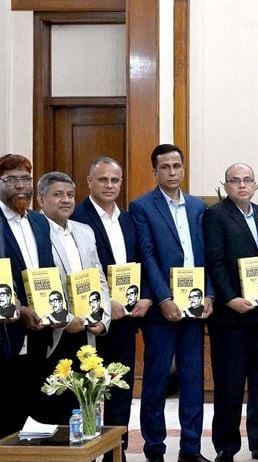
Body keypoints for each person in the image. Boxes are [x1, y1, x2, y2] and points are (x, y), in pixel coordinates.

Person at [130, 143, 214, 462]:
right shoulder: (142, 207)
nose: (172, 172)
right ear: (155, 171)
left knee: (193, 381)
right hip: (161, 310)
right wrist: (163, 298)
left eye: (177, 166)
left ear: (183, 168)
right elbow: (147, 255)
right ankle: (155, 448)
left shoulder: (197, 207)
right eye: (165, 167)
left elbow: (206, 255)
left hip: (194, 306)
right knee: (157, 380)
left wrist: (209, 294)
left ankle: (191, 449)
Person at [203, 163, 258, 462]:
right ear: (226, 185)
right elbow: (215, 262)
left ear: (254, 184)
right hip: (230, 317)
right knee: (230, 384)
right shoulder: (215, 215)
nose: (242, 185)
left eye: (247, 180)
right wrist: (229, 299)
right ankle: (226, 446)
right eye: (235, 181)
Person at [71, 156, 151, 462]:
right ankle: (87, 450)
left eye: (114, 180)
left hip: (126, 320)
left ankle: (117, 450)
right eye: (102, 179)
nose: (109, 185)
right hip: (91, 321)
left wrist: (144, 296)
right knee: (87, 388)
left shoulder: (127, 218)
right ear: (89, 181)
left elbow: (140, 260)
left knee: (120, 386)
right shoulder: (76, 217)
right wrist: (106, 305)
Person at [38, 171, 113, 423]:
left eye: (70, 195)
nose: (66, 200)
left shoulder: (84, 231)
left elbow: (99, 277)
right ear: (41, 199)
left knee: (83, 403)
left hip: (87, 328)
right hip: (54, 331)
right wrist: (66, 318)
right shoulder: (36, 230)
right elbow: (38, 285)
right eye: (58, 195)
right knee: (52, 405)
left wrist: (103, 317)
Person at [0, 154, 54, 436]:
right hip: (6, 331)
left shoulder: (39, 222)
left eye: (25, 179)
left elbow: (47, 270)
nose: (20, 185)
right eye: (11, 180)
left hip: (40, 329)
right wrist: (20, 310)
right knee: (7, 409)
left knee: (34, 405)